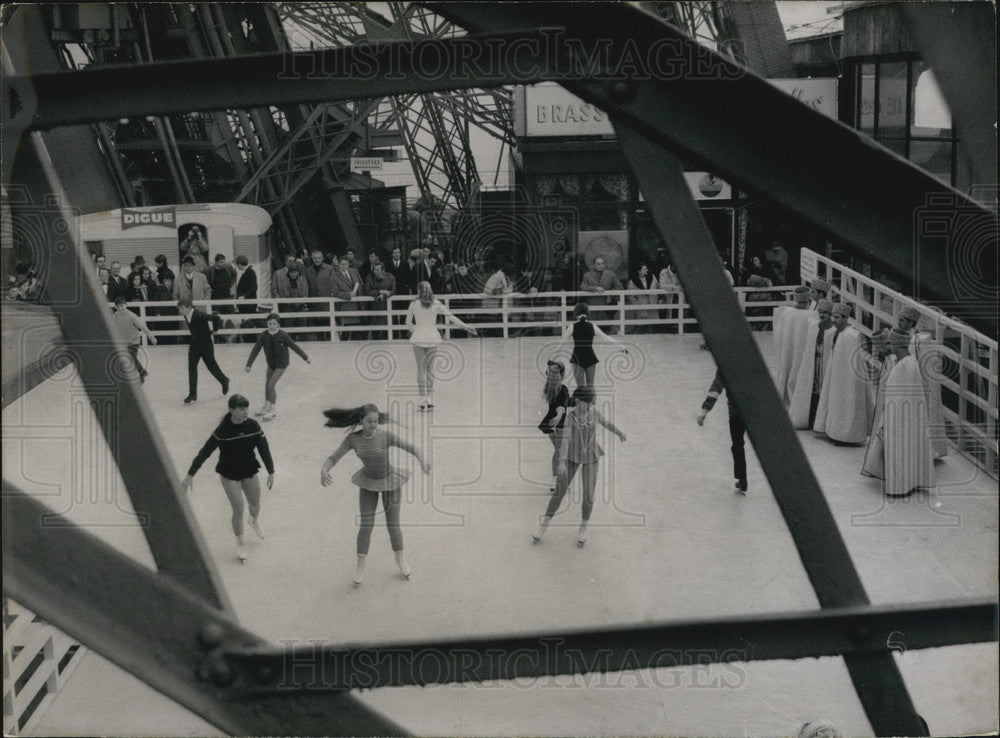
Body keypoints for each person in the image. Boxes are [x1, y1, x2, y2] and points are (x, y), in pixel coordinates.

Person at [320, 404, 431, 587]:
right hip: (368, 484)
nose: (374, 424)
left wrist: (422, 460)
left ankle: (400, 559)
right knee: (366, 525)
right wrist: (324, 470)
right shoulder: (353, 439)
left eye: (376, 421)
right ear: (361, 421)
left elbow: (411, 447)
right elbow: (334, 457)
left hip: (390, 483)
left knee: (393, 526)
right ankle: (360, 565)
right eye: (370, 421)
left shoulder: (385, 436)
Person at [183, 394, 274, 563]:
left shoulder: (253, 426)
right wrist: (190, 475)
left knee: (255, 504)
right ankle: (240, 541)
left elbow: (264, 449)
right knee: (238, 509)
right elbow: (204, 452)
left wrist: (271, 471)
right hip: (229, 474)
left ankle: (253, 520)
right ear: (231, 410)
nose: (245, 411)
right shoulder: (222, 431)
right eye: (241, 408)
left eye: (246, 407)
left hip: (249, 470)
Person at [532, 386, 626, 547]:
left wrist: (618, 433)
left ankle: (583, 526)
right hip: (571, 457)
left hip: (591, 456)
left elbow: (606, 423)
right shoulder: (570, 417)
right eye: (586, 402)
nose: (589, 405)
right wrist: (561, 462)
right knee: (559, 491)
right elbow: (566, 440)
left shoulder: (593, 413)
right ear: (578, 401)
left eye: (590, 402)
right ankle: (545, 524)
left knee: (589, 495)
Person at [861, 329, 947, 496]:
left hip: (900, 419)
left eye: (890, 344)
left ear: (896, 344)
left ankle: (900, 485)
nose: (889, 348)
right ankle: (904, 481)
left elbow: (899, 397)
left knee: (900, 450)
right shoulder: (906, 362)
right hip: (904, 418)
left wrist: (887, 421)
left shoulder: (906, 365)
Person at [406, 281, 478, 410]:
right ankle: (429, 398)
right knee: (430, 370)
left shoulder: (414, 304)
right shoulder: (436, 303)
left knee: (420, 370)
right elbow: (451, 317)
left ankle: (422, 399)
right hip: (432, 337)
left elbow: (408, 322)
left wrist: (415, 331)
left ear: (418, 290)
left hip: (418, 337)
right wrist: (466, 326)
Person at [813, 303, 874, 445]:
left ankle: (847, 435)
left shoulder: (849, 335)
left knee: (847, 402)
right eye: (833, 317)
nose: (834, 320)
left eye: (837, 317)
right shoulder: (839, 333)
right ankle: (835, 431)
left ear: (845, 318)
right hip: (837, 375)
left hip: (848, 379)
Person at [244, 313, 310, 421]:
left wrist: (306, 358)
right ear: (267, 324)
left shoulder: (283, 335)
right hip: (271, 364)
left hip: (281, 364)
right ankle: (266, 406)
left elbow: (294, 346)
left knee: (271, 384)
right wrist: (249, 364)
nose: (272, 326)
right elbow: (255, 350)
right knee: (267, 384)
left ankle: (273, 410)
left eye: (274, 323)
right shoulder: (264, 335)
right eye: (270, 323)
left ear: (278, 324)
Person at [697, 365, 749, 493]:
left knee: (737, 444)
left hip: (736, 411)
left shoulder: (724, 366)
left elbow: (716, 388)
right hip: (752, 406)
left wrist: (704, 411)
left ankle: (743, 480)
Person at [789, 299, 835, 429]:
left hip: (825, 364)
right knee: (811, 390)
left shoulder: (833, 331)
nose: (822, 315)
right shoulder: (813, 326)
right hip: (813, 364)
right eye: (820, 312)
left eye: (825, 313)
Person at [557, 302, 624, 390]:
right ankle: (592, 403)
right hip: (590, 356)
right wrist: (621, 347)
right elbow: (606, 338)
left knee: (580, 388)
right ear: (587, 313)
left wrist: (552, 357)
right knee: (591, 386)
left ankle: (583, 403)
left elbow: (562, 343)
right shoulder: (592, 326)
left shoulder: (572, 327)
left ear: (576, 313)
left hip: (577, 357)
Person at [177, 298, 230, 405]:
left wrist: (215, 330)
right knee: (192, 367)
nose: (180, 310)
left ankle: (224, 380)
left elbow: (216, 318)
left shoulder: (198, 314)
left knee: (211, 366)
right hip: (194, 343)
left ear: (189, 307)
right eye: (179, 308)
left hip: (206, 344)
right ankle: (192, 394)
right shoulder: (186, 314)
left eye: (182, 308)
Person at [772, 286, 814, 405]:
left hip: (788, 350)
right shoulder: (811, 316)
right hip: (803, 349)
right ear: (808, 298)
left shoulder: (786, 313)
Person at [110, 295, 157, 383]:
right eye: (118, 306)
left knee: (131, 357)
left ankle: (143, 373)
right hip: (123, 342)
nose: (121, 308)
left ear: (126, 305)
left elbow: (143, 327)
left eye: (122, 305)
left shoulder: (131, 316)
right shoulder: (115, 316)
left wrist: (152, 337)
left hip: (133, 342)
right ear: (116, 307)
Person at [539, 359, 570, 489]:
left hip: (549, 422)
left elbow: (562, 404)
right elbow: (561, 407)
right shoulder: (563, 389)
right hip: (558, 422)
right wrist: (558, 416)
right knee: (561, 452)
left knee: (558, 451)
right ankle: (559, 482)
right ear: (562, 375)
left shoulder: (549, 387)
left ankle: (556, 480)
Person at [330, 253, 364, 341]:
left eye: (346, 264)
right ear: (338, 264)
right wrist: (348, 295)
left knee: (357, 331)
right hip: (345, 306)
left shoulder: (354, 271)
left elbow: (361, 284)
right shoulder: (334, 276)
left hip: (357, 305)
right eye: (342, 264)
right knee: (346, 330)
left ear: (349, 264)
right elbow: (334, 292)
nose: (344, 266)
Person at [363, 260, 396, 340]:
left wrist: (383, 295)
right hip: (374, 306)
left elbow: (393, 290)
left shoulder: (390, 277)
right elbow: (367, 290)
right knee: (375, 328)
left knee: (387, 327)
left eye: (377, 270)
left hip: (386, 305)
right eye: (374, 269)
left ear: (383, 270)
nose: (375, 271)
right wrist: (379, 292)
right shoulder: (369, 277)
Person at [626, 262, 659, 333]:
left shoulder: (652, 278)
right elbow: (630, 296)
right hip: (641, 308)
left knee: (653, 328)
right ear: (639, 271)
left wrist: (658, 300)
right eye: (644, 269)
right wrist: (637, 304)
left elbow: (659, 288)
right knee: (641, 328)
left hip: (653, 306)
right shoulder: (633, 282)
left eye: (646, 268)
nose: (646, 270)